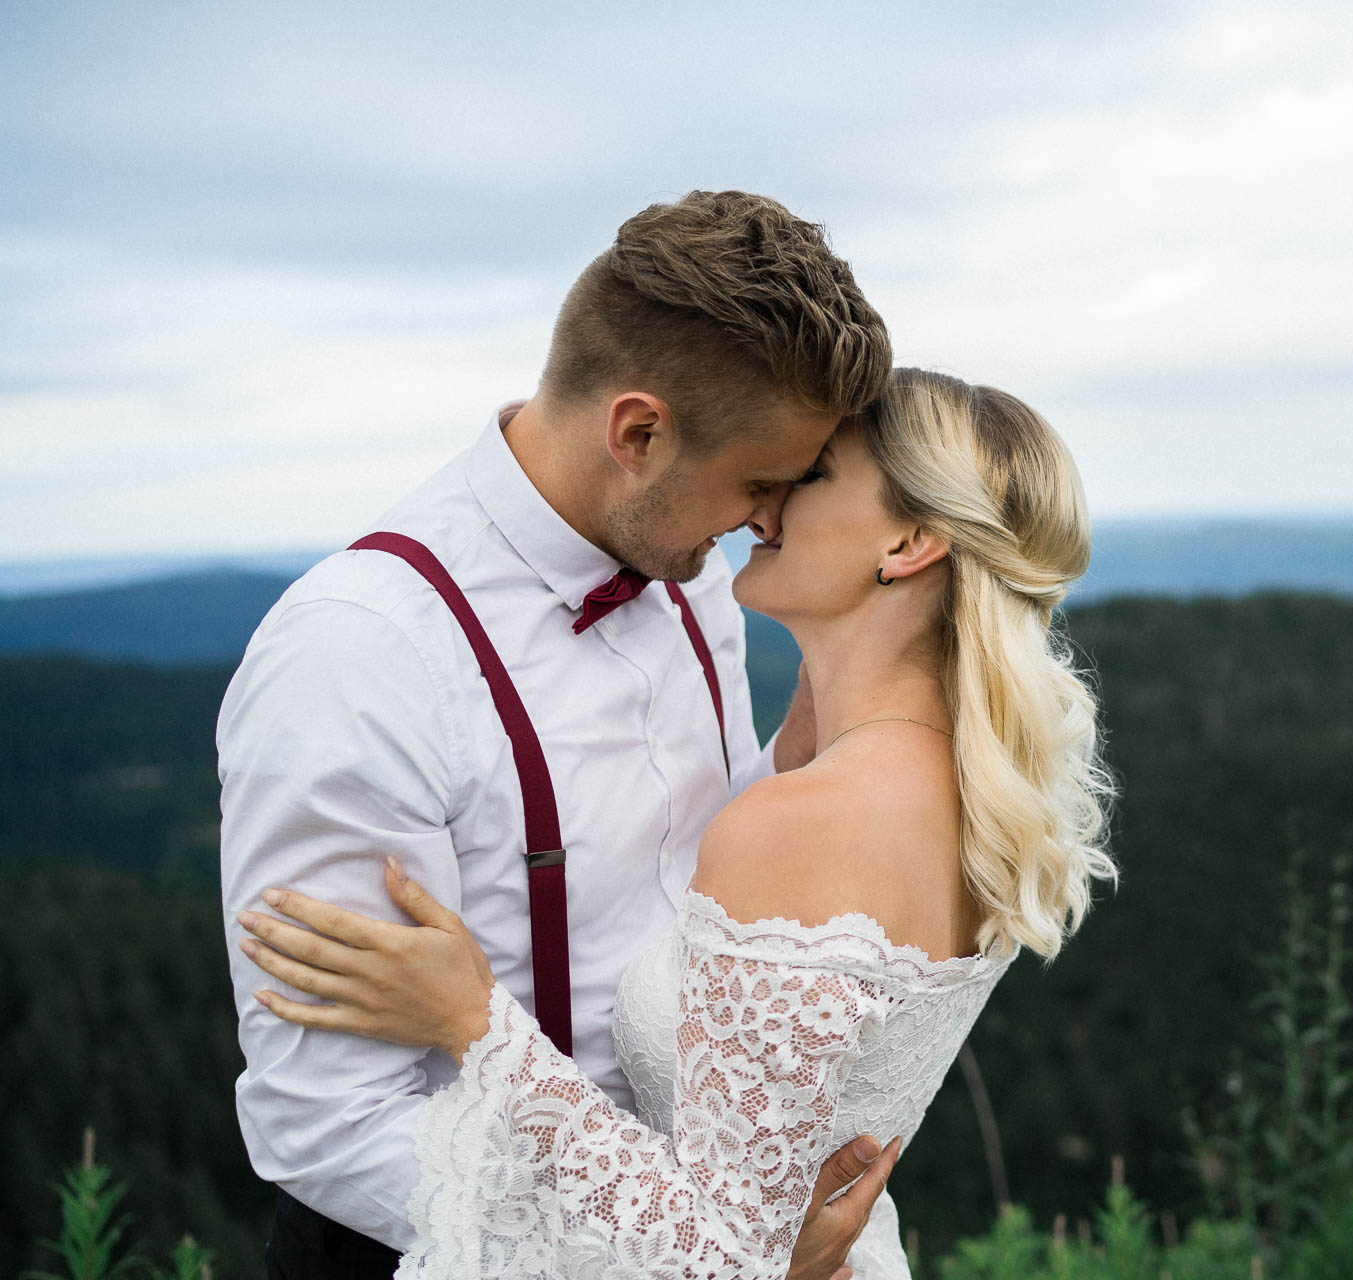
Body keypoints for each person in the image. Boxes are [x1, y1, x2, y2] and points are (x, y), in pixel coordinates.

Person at [235, 369, 1115, 1278]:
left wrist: (474, 1020)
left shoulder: (804, 825)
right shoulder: (970, 778)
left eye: (809, 478)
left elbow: (727, 1260)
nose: (762, 511)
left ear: (910, 540)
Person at [217, 190, 893, 1280]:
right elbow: (326, 1125)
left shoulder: (690, 568)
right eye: (759, 483)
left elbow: (682, 862)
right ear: (637, 432)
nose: (768, 521)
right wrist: (678, 1250)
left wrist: (798, 760)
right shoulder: (358, 656)